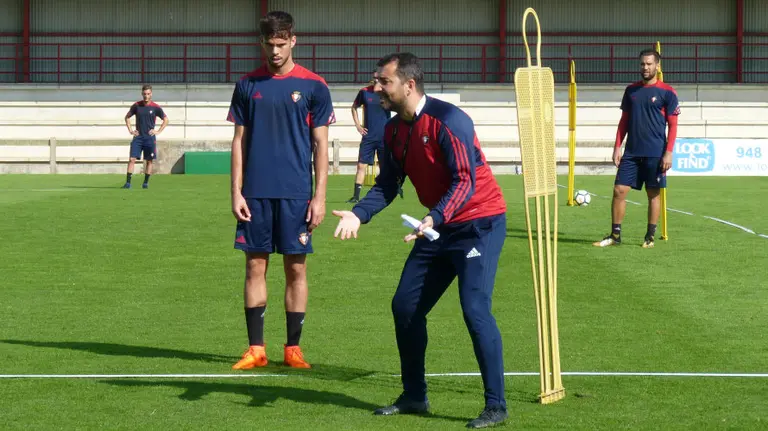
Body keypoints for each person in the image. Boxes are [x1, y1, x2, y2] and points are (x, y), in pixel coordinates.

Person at [332, 52, 509, 429]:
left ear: (409, 85)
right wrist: (358, 214)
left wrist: (434, 216)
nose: (376, 88)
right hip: (437, 226)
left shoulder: (450, 121)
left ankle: (496, 406)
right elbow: (388, 185)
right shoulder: (392, 131)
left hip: (480, 224)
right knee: (406, 307)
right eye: (376, 81)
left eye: (384, 82)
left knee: (474, 310)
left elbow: (466, 181)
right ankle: (415, 395)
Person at [227, 11, 335, 370]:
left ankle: (293, 348)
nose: (275, 51)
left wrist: (319, 197)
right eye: (269, 44)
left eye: (281, 44)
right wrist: (236, 192)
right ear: (261, 43)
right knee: (255, 266)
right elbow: (238, 142)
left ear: (293, 41)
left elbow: (322, 146)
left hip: (296, 193)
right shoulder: (247, 85)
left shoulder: (314, 86)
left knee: (296, 270)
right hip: (255, 193)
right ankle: (256, 348)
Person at [593, 48, 679, 248]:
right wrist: (617, 147)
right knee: (618, 190)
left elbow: (673, 125)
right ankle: (615, 236)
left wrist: (669, 152)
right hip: (631, 152)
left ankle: (649, 237)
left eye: (649, 64)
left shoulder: (667, 92)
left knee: (653, 194)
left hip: (655, 153)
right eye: (643, 64)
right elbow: (624, 121)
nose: (645, 67)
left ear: (657, 66)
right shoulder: (631, 90)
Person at [346, 76, 392, 203]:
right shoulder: (364, 92)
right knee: (361, 166)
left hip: (384, 137)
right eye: (376, 77)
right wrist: (358, 125)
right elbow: (354, 107)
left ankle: (386, 192)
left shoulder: (387, 93)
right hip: (369, 137)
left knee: (385, 167)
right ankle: (356, 196)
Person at [123, 85, 168, 189]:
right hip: (138, 138)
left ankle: (145, 183)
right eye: (144, 94)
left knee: (149, 161)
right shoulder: (136, 106)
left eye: (148, 94)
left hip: (149, 138)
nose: (146, 96)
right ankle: (128, 183)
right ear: (142, 94)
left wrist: (158, 131)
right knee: (132, 159)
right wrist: (130, 130)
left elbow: (166, 120)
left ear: (151, 94)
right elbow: (127, 117)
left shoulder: (156, 107)